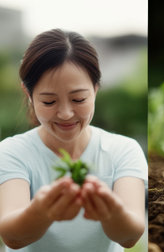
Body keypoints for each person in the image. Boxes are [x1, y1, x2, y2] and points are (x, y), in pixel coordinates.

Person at [0, 29, 147, 252]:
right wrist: (42, 212)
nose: (66, 113)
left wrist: (112, 213)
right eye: (49, 102)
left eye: (78, 99)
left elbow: (130, 237)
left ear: (96, 89)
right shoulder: (11, 152)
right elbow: (12, 236)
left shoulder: (123, 150)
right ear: (28, 95)